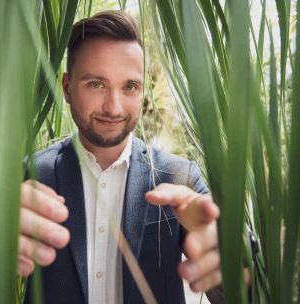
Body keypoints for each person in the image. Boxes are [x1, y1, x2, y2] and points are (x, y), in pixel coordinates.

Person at [18, 11, 226, 304]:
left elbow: (237, 282)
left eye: (129, 87)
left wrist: (233, 258)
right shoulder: (34, 174)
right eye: (96, 84)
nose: (113, 107)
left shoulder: (180, 177)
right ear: (66, 88)